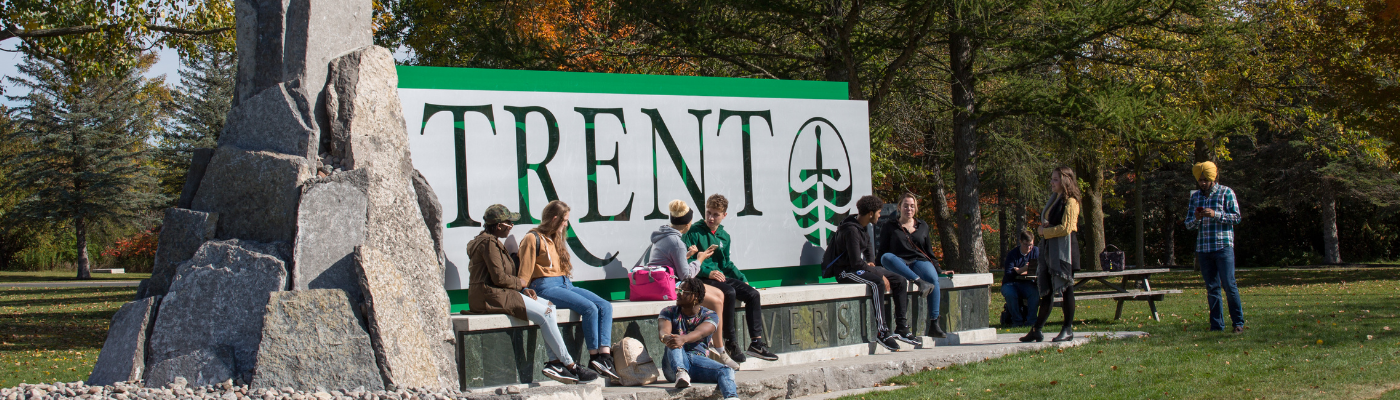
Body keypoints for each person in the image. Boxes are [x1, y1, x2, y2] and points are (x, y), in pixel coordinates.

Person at [465, 204, 598, 384]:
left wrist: (521, 288)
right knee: (545, 313)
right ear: (498, 226)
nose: (512, 226)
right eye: (508, 222)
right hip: (491, 296)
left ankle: (555, 363)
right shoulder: (488, 243)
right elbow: (498, 277)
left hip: (499, 293)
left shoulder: (491, 241)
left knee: (549, 306)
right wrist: (520, 283)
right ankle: (570, 365)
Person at [519, 200, 619, 380]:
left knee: (605, 306)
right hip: (544, 286)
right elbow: (524, 272)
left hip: (565, 283)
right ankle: (594, 356)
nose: (566, 224)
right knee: (589, 308)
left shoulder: (556, 237)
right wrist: (523, 288)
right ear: (555, 218)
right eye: (564, 220)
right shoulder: (532, 238)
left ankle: (604, 355)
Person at [684, 194, 781, 362]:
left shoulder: (724, 236)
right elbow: (686, 260)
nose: (711, 218)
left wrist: (742, 278)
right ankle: (730, 342)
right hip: (701, 278)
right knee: (729, 292)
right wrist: (707, 272)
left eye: (716, 214)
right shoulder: (694, 231)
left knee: (753, 294)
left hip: (719, 278)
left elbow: (726, 264)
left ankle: (756, 344)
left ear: (724, 215)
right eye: (708, 213)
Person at [645, 199, 740, 370]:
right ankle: (719, 349)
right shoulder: (677, 242)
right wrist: (700, 259)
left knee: (720, 294)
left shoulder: (665, 235)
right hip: (671, 287)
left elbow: (672, 264)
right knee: (717, 301)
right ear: (688, 223)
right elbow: (686, 276)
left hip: (665, 282)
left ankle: (717, 346)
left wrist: (687, 257)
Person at [825, 195, 909, 351]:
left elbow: (869, 246)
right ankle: (882, 331)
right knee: (877, 283)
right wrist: (879, 274)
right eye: (878, 212)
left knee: (899, 280)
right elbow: (856, 262)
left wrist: (871, 262)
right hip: (845, 272)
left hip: (858, 268)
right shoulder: (851, 230)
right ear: (870, 213)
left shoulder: (862, 226)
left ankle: (902, 327)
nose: (879, 215)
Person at [877, 192, 951, 339]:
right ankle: (919, 282)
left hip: (918, 261)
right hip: (899, 262)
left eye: (912, 206)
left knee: (933, 278)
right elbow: (882, 252)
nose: (909, 209)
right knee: (887, 257)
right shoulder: (890, 226)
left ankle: (934, 324)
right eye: (905, 206)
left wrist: (939, 269)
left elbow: (929, 252)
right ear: (899, 207)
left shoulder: (922, 225)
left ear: (916, 208)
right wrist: (878, 271)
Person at [1184, 161, 1245, 333]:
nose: (1202, 183)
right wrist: (1196, 218)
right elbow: (1188, 225)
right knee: (1212, 288)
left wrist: (1215, 214)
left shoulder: (1226, 192)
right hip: (1204, 249)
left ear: (1213, 178)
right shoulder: (1195, 197)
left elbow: (1236, 217)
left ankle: (1238, 323)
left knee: (1229, 285)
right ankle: (1216, 325)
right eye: (1200, 180)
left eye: (1205, 179)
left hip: (1223, 246)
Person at [1022, 166, 1081, 343]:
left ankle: (1067, 329)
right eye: (1052, 179)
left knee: (1066, 288)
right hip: (1050, 251)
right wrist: (1046, 228)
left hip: (1065, 251)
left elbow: (1067, 228)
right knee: (1047, 291)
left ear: (1065, 181)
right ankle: (1037, 330)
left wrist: (1044, 232)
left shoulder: (1071, 202)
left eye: (1055, 179)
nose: (1052, 182)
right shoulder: (1056, 199)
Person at [657, 278, 740, 400]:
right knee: (674, 343)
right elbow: (663, 331)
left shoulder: (710, 315)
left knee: (726, 370)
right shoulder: (668, 311)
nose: (678, 293)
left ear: (695, 296)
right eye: (678, 289)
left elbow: (700, 332)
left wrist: (683, 339)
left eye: (683, 291)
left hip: (698, 362)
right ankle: (681, 371)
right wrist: (668, 338)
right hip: (673, 366)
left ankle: (731, 397)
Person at [1001, 231, 1040, 327]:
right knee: (1011, 294)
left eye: (1030, 245)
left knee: (1034, 293)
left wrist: (1019, 270)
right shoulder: (1013, 254)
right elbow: (1009, 274)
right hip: (1010, 283)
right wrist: (1022, 269)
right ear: (1020, 242)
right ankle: (1017, 321)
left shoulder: (1036, 251)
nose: (1028, 248)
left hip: (1027, 283)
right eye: (1025, 245)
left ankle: (1031, 322)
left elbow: (1039, 268)